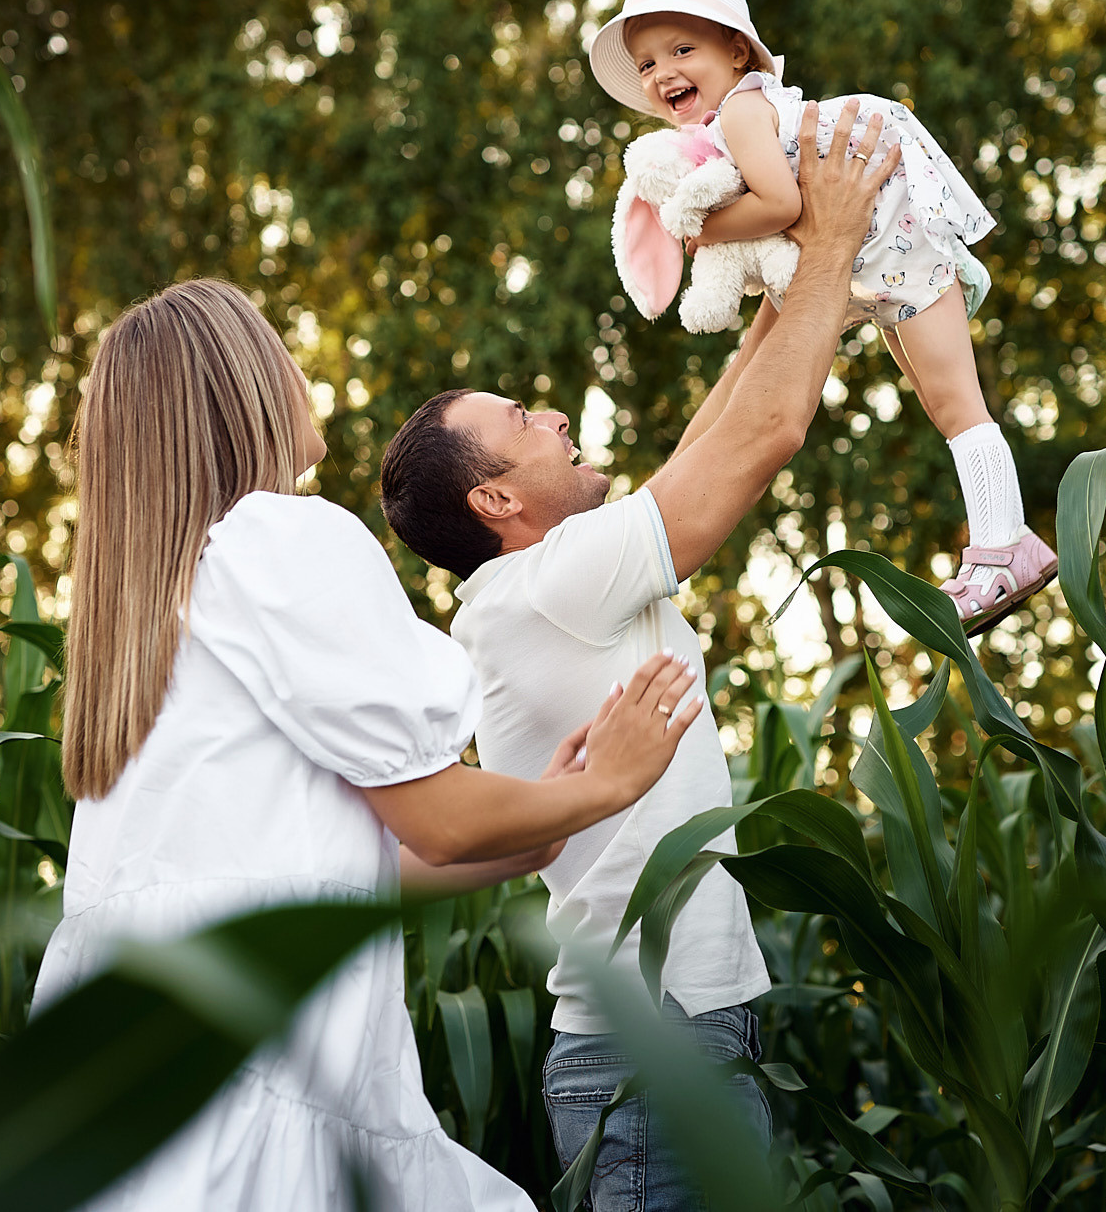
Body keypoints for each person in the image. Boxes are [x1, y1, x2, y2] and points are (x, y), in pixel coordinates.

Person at [31, 278, 706, 1212]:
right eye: (278, 352)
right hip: (266, 1080)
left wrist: (536, 829)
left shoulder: (141, 621)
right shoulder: (281, 538)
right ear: (243, 385)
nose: (300, 378)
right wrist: (610, 785)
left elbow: (323, 869)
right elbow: (437, 817)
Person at [377, 106, 899, 1210]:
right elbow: (756, 444)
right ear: (497, 498)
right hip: (649, 1057)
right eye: (525, 416)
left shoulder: (548, 578)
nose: (557, 413)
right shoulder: (550, 582)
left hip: (684, 1040)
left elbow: (708, 438)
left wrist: (788, 293)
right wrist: (837, 240)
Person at [591, 0, 1056, 630]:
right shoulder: (728, 128)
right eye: (646, 64)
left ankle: (1003, 548)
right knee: (942, 399)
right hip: (874, 252)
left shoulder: (744, 110)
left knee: (956, 401)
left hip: (887, 237)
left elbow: (780, 204)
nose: (662, 72)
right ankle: (1002, 545)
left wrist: (700, 230)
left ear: (737, 50)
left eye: (681, 48)